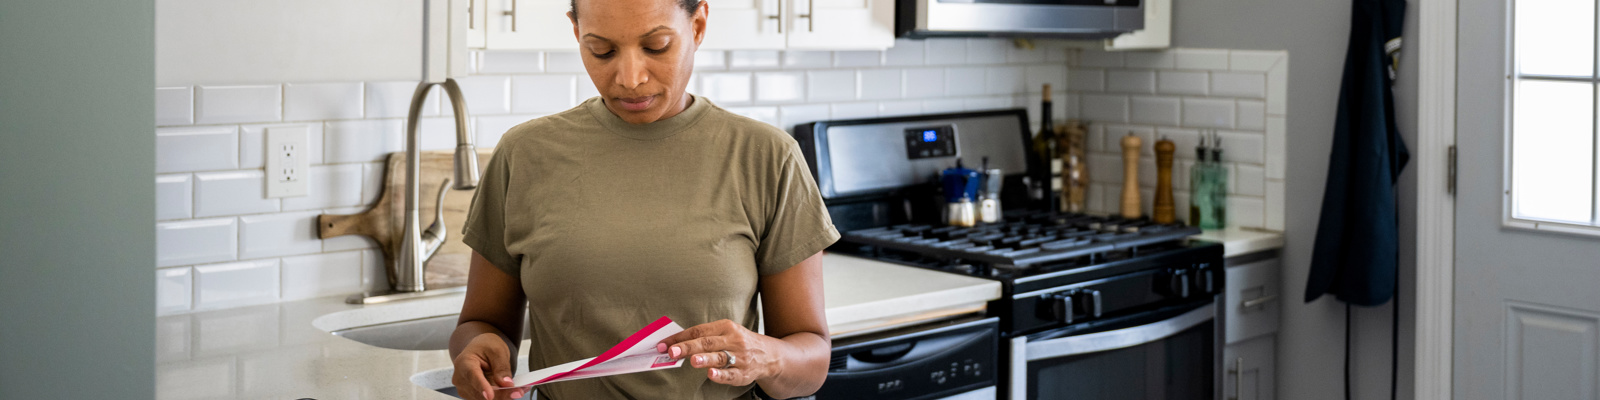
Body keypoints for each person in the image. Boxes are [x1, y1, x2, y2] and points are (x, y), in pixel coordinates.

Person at [445, 0, 840, 397]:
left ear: (698, 25)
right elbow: (481, 323)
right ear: (576, 32)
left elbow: (812, 361)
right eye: (602, 51)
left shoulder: (767, 156)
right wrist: (477, 350)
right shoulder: (524, 153)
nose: (630, 78)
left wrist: (765, 356)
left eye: (656, 46)